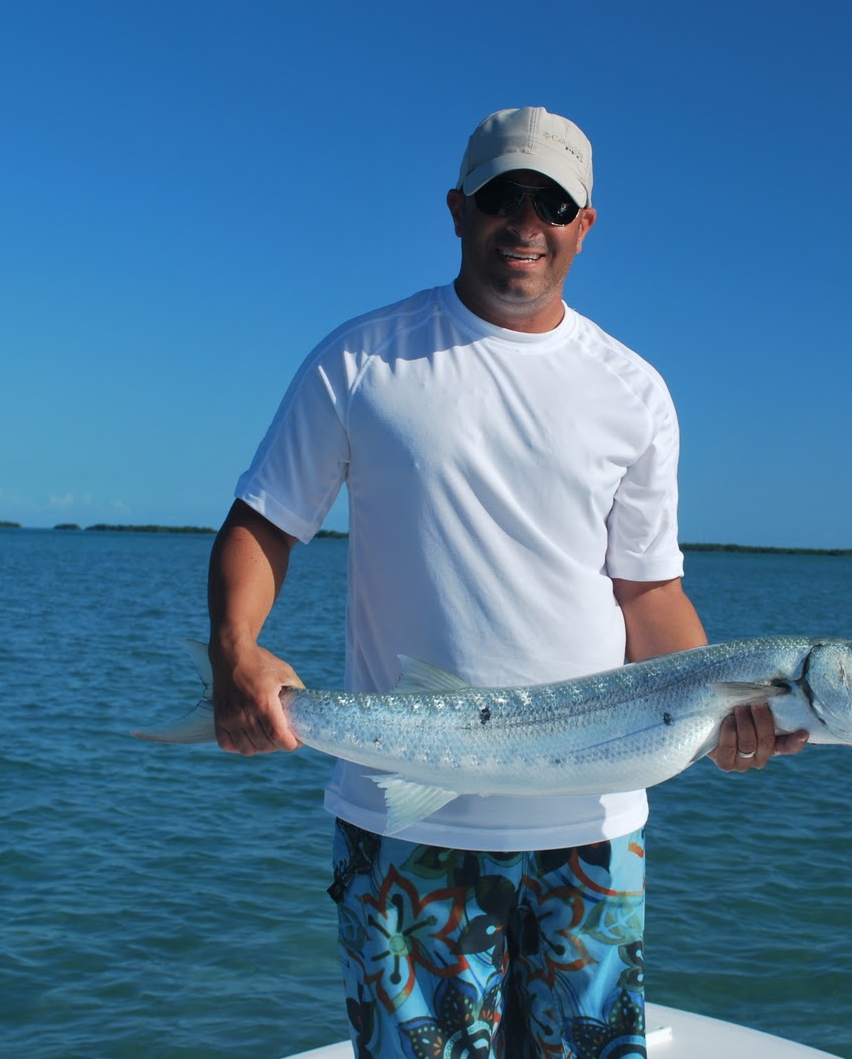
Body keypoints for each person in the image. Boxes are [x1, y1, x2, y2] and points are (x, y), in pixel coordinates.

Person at [208, 106, 807, 1059]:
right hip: (405, 816)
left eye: (552, 201)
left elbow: (647, 594)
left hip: (594, 828)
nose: (525, 220)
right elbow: (263, 522)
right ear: (457, 208)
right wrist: (235, 653)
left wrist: (720, 708)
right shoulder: (362, 360)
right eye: (501, 195)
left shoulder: (634, 390)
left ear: (585, 224)